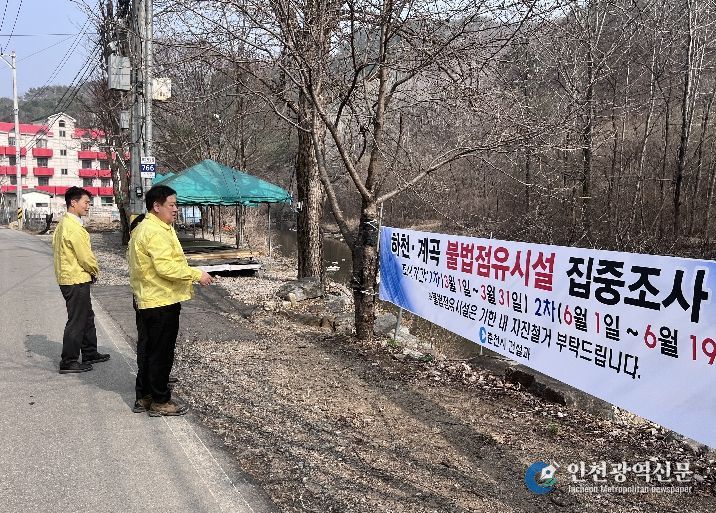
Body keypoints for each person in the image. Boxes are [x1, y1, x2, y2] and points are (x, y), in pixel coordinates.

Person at [128, 185, 212, 416]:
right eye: (171, 205)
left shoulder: (150, 227)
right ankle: (160, 400)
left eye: (176, 205)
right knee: (161, 353)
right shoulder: (154, 231)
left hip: (149, 298)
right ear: (156, 206)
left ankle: (144, 396)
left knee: (148, 351)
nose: (176, 209)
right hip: (161, 300)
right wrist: (196, 274)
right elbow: (165, 267)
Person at [52, 186, 110, 374]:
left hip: (72, 277)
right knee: (77, 320)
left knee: (86, 317)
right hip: (75, 279)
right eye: (85, 202)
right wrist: (95, 270)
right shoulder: (73, 227)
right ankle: (68, 360)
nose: (88, 206)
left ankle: (90, 352)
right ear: (73, 202)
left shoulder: (64, 223)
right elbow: (85, 256)